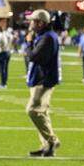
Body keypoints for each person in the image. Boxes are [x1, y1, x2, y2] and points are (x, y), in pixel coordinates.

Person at [23, 9, 61, 157]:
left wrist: (29, 43)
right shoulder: (44, 36)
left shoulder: (47, 38)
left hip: (43, 80)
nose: (31, 23)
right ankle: (47, 147)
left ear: (40, 23)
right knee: (42, 112)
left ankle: (52, 141)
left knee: (32, 110)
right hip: (39, 78)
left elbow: (34, 57)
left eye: (33, 20)